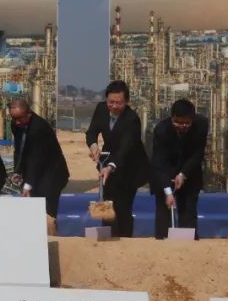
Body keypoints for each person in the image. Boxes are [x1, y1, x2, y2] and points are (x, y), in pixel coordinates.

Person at [85, 80, 149, 237]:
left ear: (126, 101)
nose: (114, 106)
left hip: (130, 167)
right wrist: (94, 146)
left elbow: (125, 148)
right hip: (108, 162)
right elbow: (91, 132)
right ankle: (109, 237)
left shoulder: (132, 119)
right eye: (111, 102)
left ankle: (124, 240)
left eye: (119, 103)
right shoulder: (101, 109)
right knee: (107, 202)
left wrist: (111, 166)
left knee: (123, 207)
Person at [150, 99, 208, 239]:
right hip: (165, 174)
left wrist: (183, 174)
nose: (182, 126)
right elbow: (160, 162)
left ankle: (188, 245)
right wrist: (168, 191)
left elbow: (197, 154)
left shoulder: (201, 125)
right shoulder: (161, 130)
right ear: (172, 118)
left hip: (190, 173)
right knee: (164, 218)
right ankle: (163, 243)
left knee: (188, 215)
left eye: (186, 123)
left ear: (192, 119)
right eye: (178, 122)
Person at [9, 98, 69, 218]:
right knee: (32, 212)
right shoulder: (15, 124)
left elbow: (36, 158)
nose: (17, 122)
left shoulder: (39, 127)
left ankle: (50, 228)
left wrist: (28, 184)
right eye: (14, 118)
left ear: (29, 114)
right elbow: (19, 149)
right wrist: (17, 171)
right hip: (34, 171)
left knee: (47, 212)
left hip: (51, 173)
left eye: (20, 118)